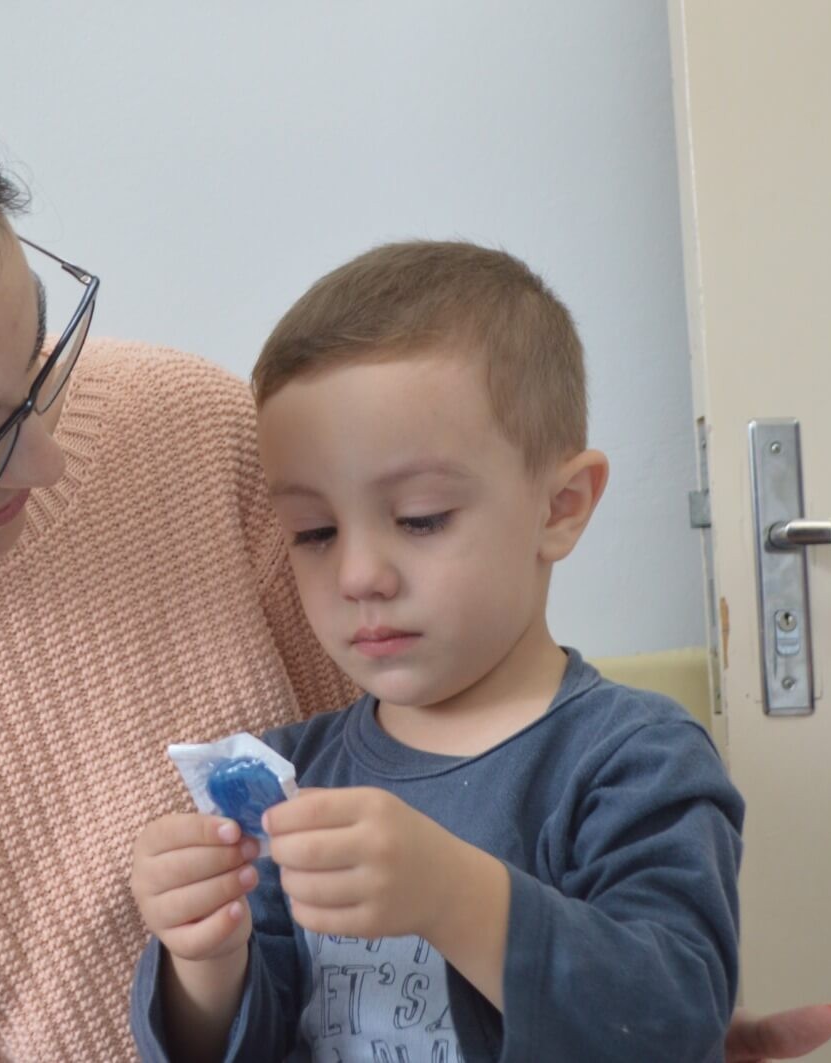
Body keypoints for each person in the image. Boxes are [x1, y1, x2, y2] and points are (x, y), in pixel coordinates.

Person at [0, 47, 831, 1062]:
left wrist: (627, 1010)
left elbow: (451, 821)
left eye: (43, 352)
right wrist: (201, 965)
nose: (50, 457)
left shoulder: (191, 431)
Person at [128, 242, 744, 1061]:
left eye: (419, 517)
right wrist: (203, 952)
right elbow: (234, 1045)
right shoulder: (284, 775)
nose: (358, 574)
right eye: (313, 532)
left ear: (559, 507)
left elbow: (673, 1017)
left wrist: (456, 896)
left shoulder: (637, 758)